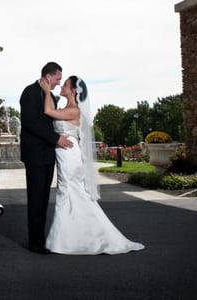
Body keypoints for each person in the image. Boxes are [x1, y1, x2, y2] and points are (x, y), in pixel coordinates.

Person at [40, 75, 145, 255]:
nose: (62, 86)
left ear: (73, 90)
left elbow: (48, 111)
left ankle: (66, 239)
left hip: (70, 155)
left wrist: (47, 91)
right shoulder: (66, 107)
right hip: (64, 154)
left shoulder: (74, 110)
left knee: (68, 191)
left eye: (65, 85)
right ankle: (70, 236)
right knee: (68, 191)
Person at [19, 62, 73, 254]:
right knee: (36, 199)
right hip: (35, 156)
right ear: (48, 76)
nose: (59, 83)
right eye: (58, 78)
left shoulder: (51, 97)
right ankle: (35, 243)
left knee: (42, 200)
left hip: (48, 155)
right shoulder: (30, 92)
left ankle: (40, 240)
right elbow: (31, 123)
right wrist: (56, 138)